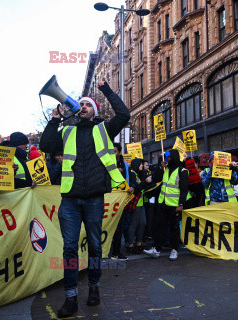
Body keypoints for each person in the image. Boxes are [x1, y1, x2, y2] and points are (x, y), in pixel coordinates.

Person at [39, 81, 130, 317]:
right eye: (79, 104)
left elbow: (124, 114)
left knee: (95, 247)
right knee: (69, 248)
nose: (82, 106)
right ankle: (71, 297)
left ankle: (94, 287)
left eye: (87, 104)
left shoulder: (104, 129)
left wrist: (107, 89)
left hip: (93, 199)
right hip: (70, 200)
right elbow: (46, 144)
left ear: (94, 111)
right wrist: (56, 118)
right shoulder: (67, 131)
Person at [144, 149, 189, 260]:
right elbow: (156, 178)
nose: (166, 159)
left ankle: (174, 250)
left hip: (174, 205)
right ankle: (157, 249)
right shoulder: (165, 169)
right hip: (162, 203)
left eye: (168, 157)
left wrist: (181, 204)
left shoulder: (182, 171)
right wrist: (160, 167)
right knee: (160, 227)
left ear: (173, 157)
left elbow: (184, 190)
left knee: (174, 229)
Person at [126, 159, 152, 253]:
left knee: (143, 223)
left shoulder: (138, 173)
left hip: (140, 202)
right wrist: (145, 182)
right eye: (141, 164)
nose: (142, 166)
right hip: (135, 202)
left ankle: (138, 242)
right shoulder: (132, 173)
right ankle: (130, 244)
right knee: (133, 224)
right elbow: (136, 187)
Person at [109, 143, 131, 260]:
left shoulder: (126, 166)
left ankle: (116, 252)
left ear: (120, 152)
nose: (113, 153)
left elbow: (129, 181)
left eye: (115, 151)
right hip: (108, 198)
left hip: (120, 199)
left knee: (119, 227)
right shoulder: (107, 163)